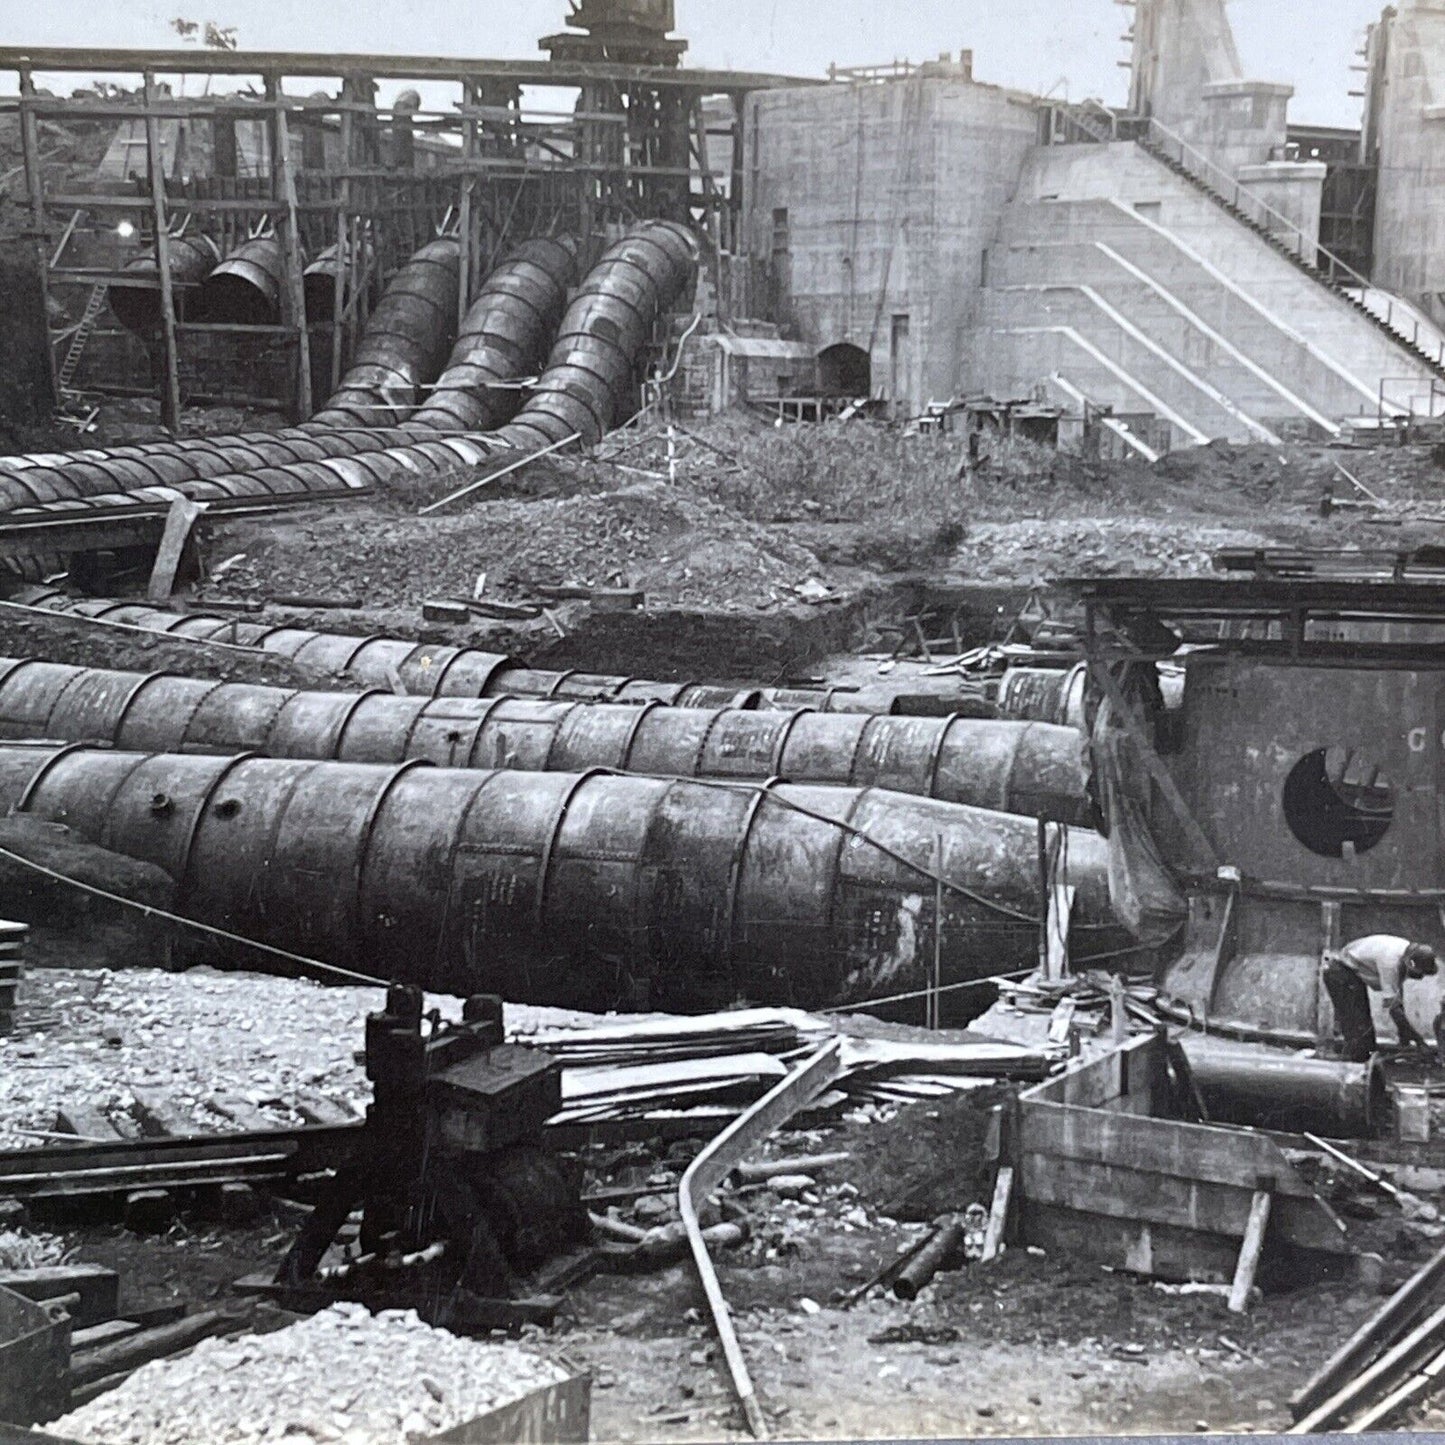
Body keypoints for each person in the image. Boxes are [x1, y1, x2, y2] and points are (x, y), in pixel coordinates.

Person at [1321, 935, 1438, 1062]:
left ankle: (1361, 1066)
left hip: (1349, 972)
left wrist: (1405, 1037)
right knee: (1360, 1033)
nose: (1420, 978)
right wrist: (1419, 1041)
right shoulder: (1390, 962)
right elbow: (1393, 1008)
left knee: (1364, 1035)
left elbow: (1397, 998)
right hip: (1339, 973)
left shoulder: (1406, 952)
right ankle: (1353, 1073)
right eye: (1420, 973)